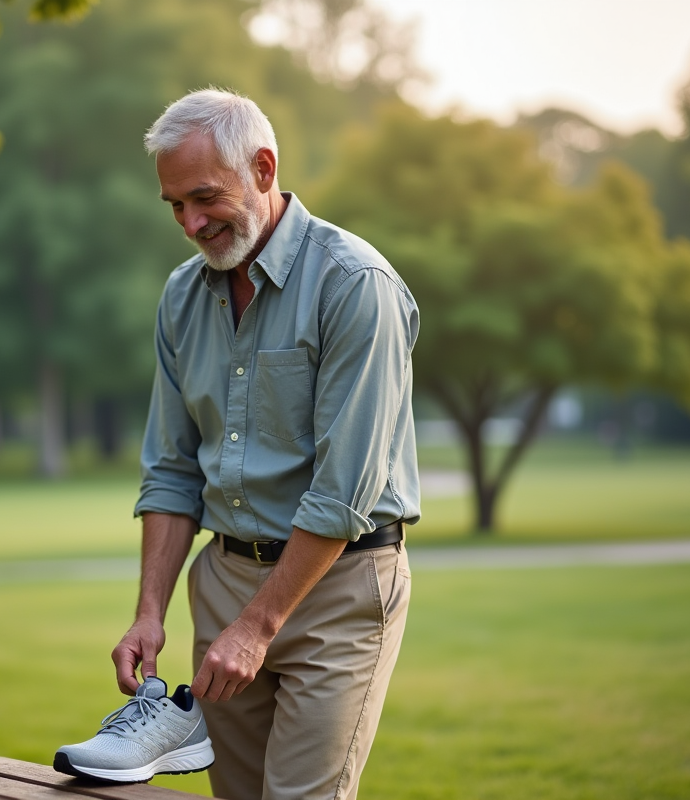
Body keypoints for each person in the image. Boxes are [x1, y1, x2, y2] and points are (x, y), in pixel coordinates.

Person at [112, 88, 420, 800]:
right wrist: (150, 613)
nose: (191, 223)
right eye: (174, 207)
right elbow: (169, 470)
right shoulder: (182, 297)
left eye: (204, 197)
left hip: (340, 587)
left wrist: (258, 626)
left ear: (262, 167)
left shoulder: (354, 285)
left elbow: (344, 493)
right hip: (224, 581)